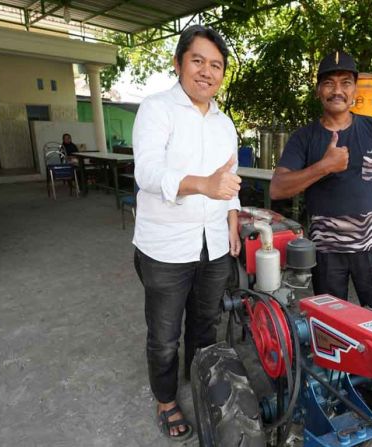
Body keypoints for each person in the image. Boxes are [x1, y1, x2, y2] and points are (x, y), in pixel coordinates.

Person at [132, 25, 242, 441]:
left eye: (216, 65)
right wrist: (202, 184)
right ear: (178, 63)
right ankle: (165, 399)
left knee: (205, 325)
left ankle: (200, 384)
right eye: (197, 61)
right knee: (164, 335)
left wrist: (232, 219)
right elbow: (147, 173)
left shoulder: (224, 123)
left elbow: (228, 180)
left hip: (213, 244)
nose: (206, 72)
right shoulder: (156, 109)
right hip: (165, 246)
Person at [270, 50, 372, 314]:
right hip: (326, 251)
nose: (337, 90)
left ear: (355, 91)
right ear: (318, 90)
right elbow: (277, 189)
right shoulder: (304, 137)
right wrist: (324, 166)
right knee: (330, 323)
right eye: (329, 83)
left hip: (371, 247)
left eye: (345, 83)